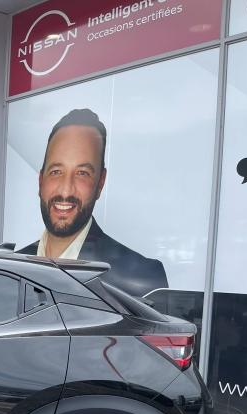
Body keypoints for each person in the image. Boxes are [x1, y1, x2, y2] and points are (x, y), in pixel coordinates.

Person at [18, 108, 168, 298]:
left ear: (100, 183)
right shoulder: (9, 267)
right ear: (41, 181)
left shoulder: (143, 278)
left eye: (82, 173)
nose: (65, 190)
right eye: (56, 171)